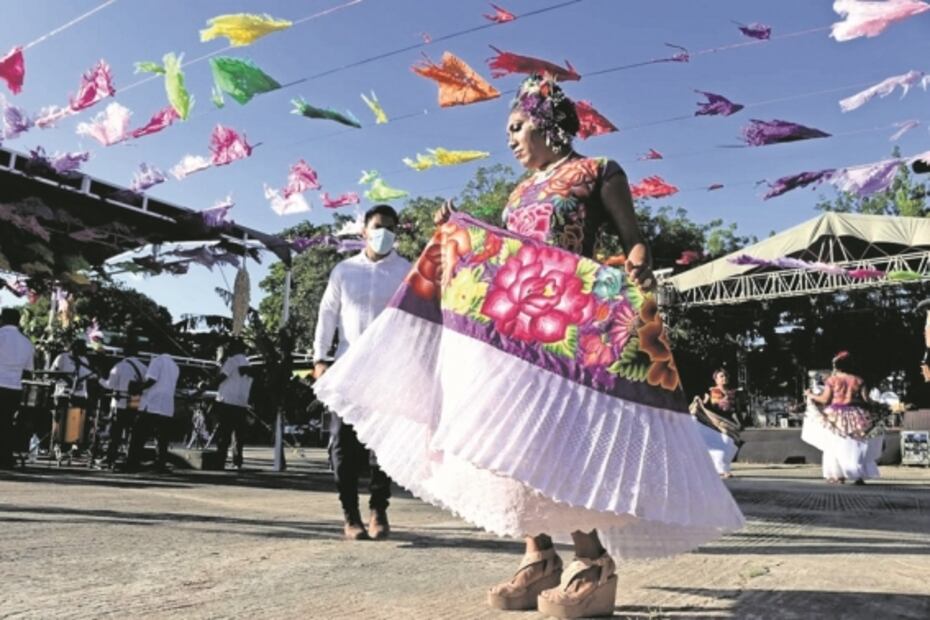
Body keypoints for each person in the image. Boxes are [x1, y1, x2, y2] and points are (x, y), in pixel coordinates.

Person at [314, 74, 743, 618]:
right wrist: (458, 232)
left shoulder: (598, 171)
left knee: (560, 444)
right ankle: (539, 555)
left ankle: (592, 561)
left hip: (572, 328)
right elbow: (506, 252)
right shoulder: (518, 192)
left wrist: (636, 261)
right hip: (515, 330)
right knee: (511, 442)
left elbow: (633, 238)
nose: (511, 140)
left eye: (516, 127)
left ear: (547, 123)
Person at [313, 204, 412, 541]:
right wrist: (320, 358)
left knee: (383, 444)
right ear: (364, 231)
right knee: (343, 443)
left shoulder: (406, 271)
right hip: (347, 368)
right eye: (378, 226)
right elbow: (327, 314)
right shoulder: (344, 271)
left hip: (388, 369)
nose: (384, 233)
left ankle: (378, 509)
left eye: (391, 228)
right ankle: (350, 514)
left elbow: (415, 320)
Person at [805, 351, 883, 485]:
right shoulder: (858, 380)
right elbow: (867, 400)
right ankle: (858, 475)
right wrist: (880, 405)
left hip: (835, 416)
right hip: (857, 415)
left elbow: (824, 399)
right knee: (856, 444)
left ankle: (837, 476)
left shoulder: (832, 380)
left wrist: (810, 395)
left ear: (836, 365)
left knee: (834, 445)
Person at [127, 352, 179, 472]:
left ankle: (133, 462)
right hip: (166, 407)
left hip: (152, 404)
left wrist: (138, 388)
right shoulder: (175, 366)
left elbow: (152, 380)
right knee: (162, 438)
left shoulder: (157, 361)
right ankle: (160, 463)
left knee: (138, 435)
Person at [99, 340, 147, 468]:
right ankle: (130, 458)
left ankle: (111, 458)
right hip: (135, 403)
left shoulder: (119, 366)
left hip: (119, 403)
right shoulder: (143, 367)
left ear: (124, 353)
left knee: (115, 433)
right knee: (132, 432)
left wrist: (99, 380)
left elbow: (110, 385)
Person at [690, 369, 742, 478]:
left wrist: (740, 422)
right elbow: (705, 406)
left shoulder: (733, 393)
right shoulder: (711, 391)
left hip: (728, 423)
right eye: (721, 376)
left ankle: (723, 468)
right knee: (719, 446)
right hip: (714, 422)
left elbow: (737, 409)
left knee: (729, 444)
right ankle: (723, 470)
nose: (724, 378)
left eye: (726, 376)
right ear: (716, 379)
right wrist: (700, 401)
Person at [0, 308, 35, 468]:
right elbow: (28, 372)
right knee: (7, 423)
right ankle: (5, 457)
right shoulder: (27, 342)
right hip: (14, 388)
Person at [50, 339, 94, 457]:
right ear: (73, 348)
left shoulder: (84, 360)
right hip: (63, 393)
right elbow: (53, 373)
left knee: (76, 421)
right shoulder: (62, 358)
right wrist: (67, 379)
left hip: (79, 394)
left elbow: (89, 375)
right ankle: (57, 445)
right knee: (60, 420)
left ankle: (72, 446)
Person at [213, 339, 253, 471]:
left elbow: (221, 378)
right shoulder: (248, 364)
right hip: (241, 403)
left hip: (227, 402)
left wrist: (202, 388)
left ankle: (220, 461)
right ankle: (237, 462)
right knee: (238, 435)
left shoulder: (231, 361)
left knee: (223, 434)